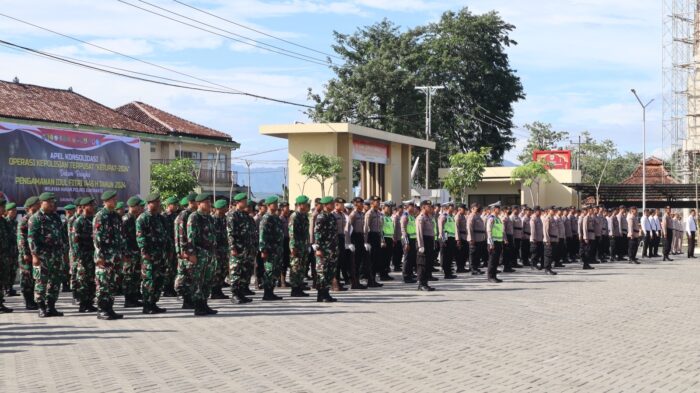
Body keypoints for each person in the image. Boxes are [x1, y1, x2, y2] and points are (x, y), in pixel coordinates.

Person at [27, 193, 69, 317]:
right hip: (42, 256)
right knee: (41, 281)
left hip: (56, 255)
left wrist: (65, 252)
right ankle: (41, 307)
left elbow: (62, 236)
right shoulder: (35, 218)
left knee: (55, 282)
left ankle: (51, 306)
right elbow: (31, 238)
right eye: (49, 202)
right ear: (41, 203)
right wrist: (34, 256)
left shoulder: (56, 217)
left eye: (53, 202)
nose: (52, 204)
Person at [93, 191, 125, 320]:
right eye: (112, 199)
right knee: (103, 283)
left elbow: (120, 236)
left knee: (113, 283)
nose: (115, 201)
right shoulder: (100, 216)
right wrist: (100, 256)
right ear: (105, 201)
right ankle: (101, 309)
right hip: (104, 256)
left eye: (115, 199)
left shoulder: (116, 216)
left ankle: (110, 308)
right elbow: (97, 238)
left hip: (115, 256)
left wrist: (121, 253)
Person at [185, 193, 218, 316]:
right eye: (206, 202)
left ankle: (204, 303)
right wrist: (192, 254)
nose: (209, 204)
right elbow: (190, 238)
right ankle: (198, 306)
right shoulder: (194, 217)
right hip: (199, 254)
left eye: (209, 202)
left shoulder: (209, 217)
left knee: (208, 280)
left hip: (210, 254)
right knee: (197, 280)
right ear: (199, 204)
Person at [136, 193, 169, 314]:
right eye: (156, 202)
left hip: (160, 255)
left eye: (159, 202)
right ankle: (147, 305)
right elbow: (140, 237)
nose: (159, 204)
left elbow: (165, 236)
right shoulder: (143, 218)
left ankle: (153, 303)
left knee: (159, 280)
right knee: (149, 280)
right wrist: (145, 253)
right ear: (150, 204)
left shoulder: (160, 218)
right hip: (149, 256)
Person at [227, 193, 257, 304]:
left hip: (247, 249)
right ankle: (235, 294)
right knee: (236, 272)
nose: (246, 203)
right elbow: (230, 233)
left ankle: (241, 293)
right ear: (238, 202)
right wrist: (232, 247)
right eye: (244, 201)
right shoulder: (232, 215)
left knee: (245, 272)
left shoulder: (245, 216)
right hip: (237, 249)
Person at [71, 197, 98, 313]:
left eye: (93, 205)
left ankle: (90, 302)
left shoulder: (93, 220)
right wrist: (79, 257)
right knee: (83, 280)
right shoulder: (78, 221)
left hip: (93, 254)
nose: (92, 207)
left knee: (92, 280)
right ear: (83, 207)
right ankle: (83, 304)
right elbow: (75, 241)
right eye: (90, 205)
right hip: (83, 256)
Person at [313, 196, 339, 302]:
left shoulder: (331, 216)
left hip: (332, 249)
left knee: (329, 272)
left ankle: (326, 293)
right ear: (325, 205)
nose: (333, 205)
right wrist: (318, 248)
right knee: (322, 272)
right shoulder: (321, 217)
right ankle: (321, 294)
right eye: (331, 203)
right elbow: (317, 233)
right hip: (323, 250)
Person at [259, 196, 285, 300]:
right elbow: (262, 235)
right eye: (274, 203)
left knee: (275, 271)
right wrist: (263, 249)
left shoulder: (276, 217)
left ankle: (271, 291)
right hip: (269, 250)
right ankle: (267, 293)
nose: (276, 205)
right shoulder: (266, 218)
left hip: (276, 249)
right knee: (269, 271)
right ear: (269, 205)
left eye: (277, 203)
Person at [175, 193, 198, 308]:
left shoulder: (193, 214)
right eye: (196, 201)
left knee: (192, 276)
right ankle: (187, 300)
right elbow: (181, 235)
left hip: (191, 250)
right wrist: (184, 251)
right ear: (191, 202)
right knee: (187, 276)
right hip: (186, 252)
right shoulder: (184, 215)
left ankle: (191, 299)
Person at [121, 196, 143, 308]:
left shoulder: (135, 218)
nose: (140, 208)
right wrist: (125, 254)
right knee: (128, 276)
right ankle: (128, 299)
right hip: (129, 253)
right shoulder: (126, 219)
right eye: (138, 206)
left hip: (135, 252)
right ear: (132, 206)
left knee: (135, 276)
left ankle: (134, 298)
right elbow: (123, 238)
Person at [289, 195, 311, 297]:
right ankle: (294, 289)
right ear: (301, 205)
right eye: (306, 204)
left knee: (301, 267)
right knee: (295, 267)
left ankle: (299, 287)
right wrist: (293, 247)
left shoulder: (304, 216)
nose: (308, 206)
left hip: (303, 246)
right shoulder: (295, 216)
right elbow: (292, 233)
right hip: (296, 247)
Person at [210, 200, 230, 300]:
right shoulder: (212, 219)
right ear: (219, 209)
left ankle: (218, 289)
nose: (226, 209)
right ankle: (214, 291)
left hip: (224, 249)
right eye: (225, 207)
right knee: (216, 270)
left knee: (223, 270)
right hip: (216, 249)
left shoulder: (225, 219)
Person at [363, 196, 383, 287]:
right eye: (376, 201)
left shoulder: (378, 213)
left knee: (376, 259)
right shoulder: (369, 213)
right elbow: (366, 228)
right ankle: (370, 280)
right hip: (371, 236)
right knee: (371, 260)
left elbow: (380, 228)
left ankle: (373, 279)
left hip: (377, 236)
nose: (378, 203)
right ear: (371, 203)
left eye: (378, 201)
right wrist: (366, 241)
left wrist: (382, 239)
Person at [416, 200, 436, 291]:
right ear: (423, 207)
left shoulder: (429, 217)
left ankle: (425, 283)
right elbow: (419, 233)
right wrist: (421, 245)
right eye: (429, 206)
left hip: (429, 241)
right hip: (424, 242)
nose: (431, 208)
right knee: (422, 264)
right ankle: (421, 284)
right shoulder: (421, 218)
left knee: (428, 263)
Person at [161, 196, 179, 297]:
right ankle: (167, 288)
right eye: (175, 205)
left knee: (173, 267)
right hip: (167, 246)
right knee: (167, 267)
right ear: (169, 205)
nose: (177, 206)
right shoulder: (163, 216)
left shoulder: (175, 216)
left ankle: (171, 287)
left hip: (174, 244)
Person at [485, 202, 504, 283]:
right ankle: (490, 277)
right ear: (494, 209)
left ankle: (494, 276)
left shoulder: (498, 218)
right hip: (493, 242)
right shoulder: (491, 218)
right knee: (492, 260)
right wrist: (491, 243)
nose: (500, 210)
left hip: (498, 241)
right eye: (498, 208)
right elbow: (489, 231)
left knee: (496, 261)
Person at [438, 202, 458, 279]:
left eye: (453, 206)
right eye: (451, 206)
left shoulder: (451, 216)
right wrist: (443, 239)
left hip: (451, 238)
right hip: (445, 238)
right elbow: (441, 228)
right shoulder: (443, 216)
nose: (453, 208)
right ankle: (446, 273)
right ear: (447, 208)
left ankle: (449, 272)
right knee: (446, 256)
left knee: (450, 256)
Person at [400, 201, 418, 283]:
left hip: (413, 239)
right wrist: (406, 242)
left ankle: (410, 275)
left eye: (414, 206)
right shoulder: (405, 216)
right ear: (408, 207)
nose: (414, 208)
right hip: (407, 239)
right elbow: (403, 230)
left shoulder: (412, 216)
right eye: (412, 206)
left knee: (412, 258)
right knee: (407, 258)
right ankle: (406, 276)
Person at [467, 203, 487, 275]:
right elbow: (469, 228)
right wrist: (471, 239)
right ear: (472, 209)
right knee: (473, 254)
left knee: (477, 254)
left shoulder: (478, 216)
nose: (477, 208)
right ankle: (473, 269)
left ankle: (476, 267)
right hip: (474, 238)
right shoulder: (471, 216)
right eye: (476, 207)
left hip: (480, 238)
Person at [0, 198, 12, 313]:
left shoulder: (3, 221)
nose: (4, 209)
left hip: (3, 255)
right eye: (2, 207)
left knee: (2, 280)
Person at [4, 202, 18, 298]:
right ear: (7, 212)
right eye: (12, 211)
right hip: (7, 251)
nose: (14, 212)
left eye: (15, 210)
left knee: (13, 270)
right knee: (7, 270)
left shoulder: (16, 222)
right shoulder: (5, 222)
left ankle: (10, 288)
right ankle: (6, 289)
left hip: (14, 250)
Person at [380, 201, 396, 281]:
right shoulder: (381, 216)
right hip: (385, 239)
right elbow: (380, 230)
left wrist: (392, 238)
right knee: (383, 258)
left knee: (388, 258)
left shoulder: (388, 217)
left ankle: (386, 273)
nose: (390, 209)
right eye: (388, 207)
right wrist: (382, 240)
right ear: (384, 207)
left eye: (390, 207)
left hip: (389, 239)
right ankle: (383, 275)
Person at [542, 206, 558, 275]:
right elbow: (546, 231)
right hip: (549, 240)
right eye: (552, 210)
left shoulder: (553, 219)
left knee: (552, 255)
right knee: (548, 255)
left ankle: (549, 268)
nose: (554, 211)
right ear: (549, 211)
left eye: (554, 210)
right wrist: (547, 240)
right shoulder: (547, 219)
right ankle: (547, 269)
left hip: (553, 239)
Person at [278, 202, 291, 288]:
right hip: (282, 241)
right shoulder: (279, 218)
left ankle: (283, 280)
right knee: (282, 261)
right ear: (282, 208)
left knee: (286, 261)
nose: (288, 209)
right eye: (286, 207)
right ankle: (281, 281)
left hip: (288, 240)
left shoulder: (288, 218)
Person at [454, 204, 469, 273]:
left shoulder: (463, 216)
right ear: (460, 209)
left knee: (465, 253)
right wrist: (458, 239)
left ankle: (462, 267)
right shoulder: (457, 217)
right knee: (460, 254)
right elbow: (456, 229)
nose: (465, 210)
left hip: (465, 237)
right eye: (464, 209)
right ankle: (459, 268)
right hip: (461, 237)